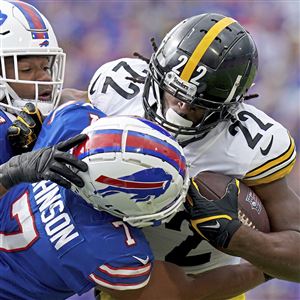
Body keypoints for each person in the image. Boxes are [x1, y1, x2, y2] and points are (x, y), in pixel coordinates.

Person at [87, 13, 299, 284]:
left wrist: (239, 239)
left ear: (230, 105)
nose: (182, 108)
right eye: (174, 94)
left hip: (207, 283)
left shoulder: (248, 145)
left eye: (198, 104)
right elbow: (68, 112)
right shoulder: (119, 90)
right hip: (119, 274)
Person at [0, 99, 267, 300]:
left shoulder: (71, 122)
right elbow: (186, 290)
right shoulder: (108, 250)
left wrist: (10, 172)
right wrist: (264, 268)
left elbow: (69, 103)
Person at [0, 0, 88, 194]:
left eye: (46, 66)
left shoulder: (62, 108)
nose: (45, 77)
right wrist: (13, 172)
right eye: (26, 69)